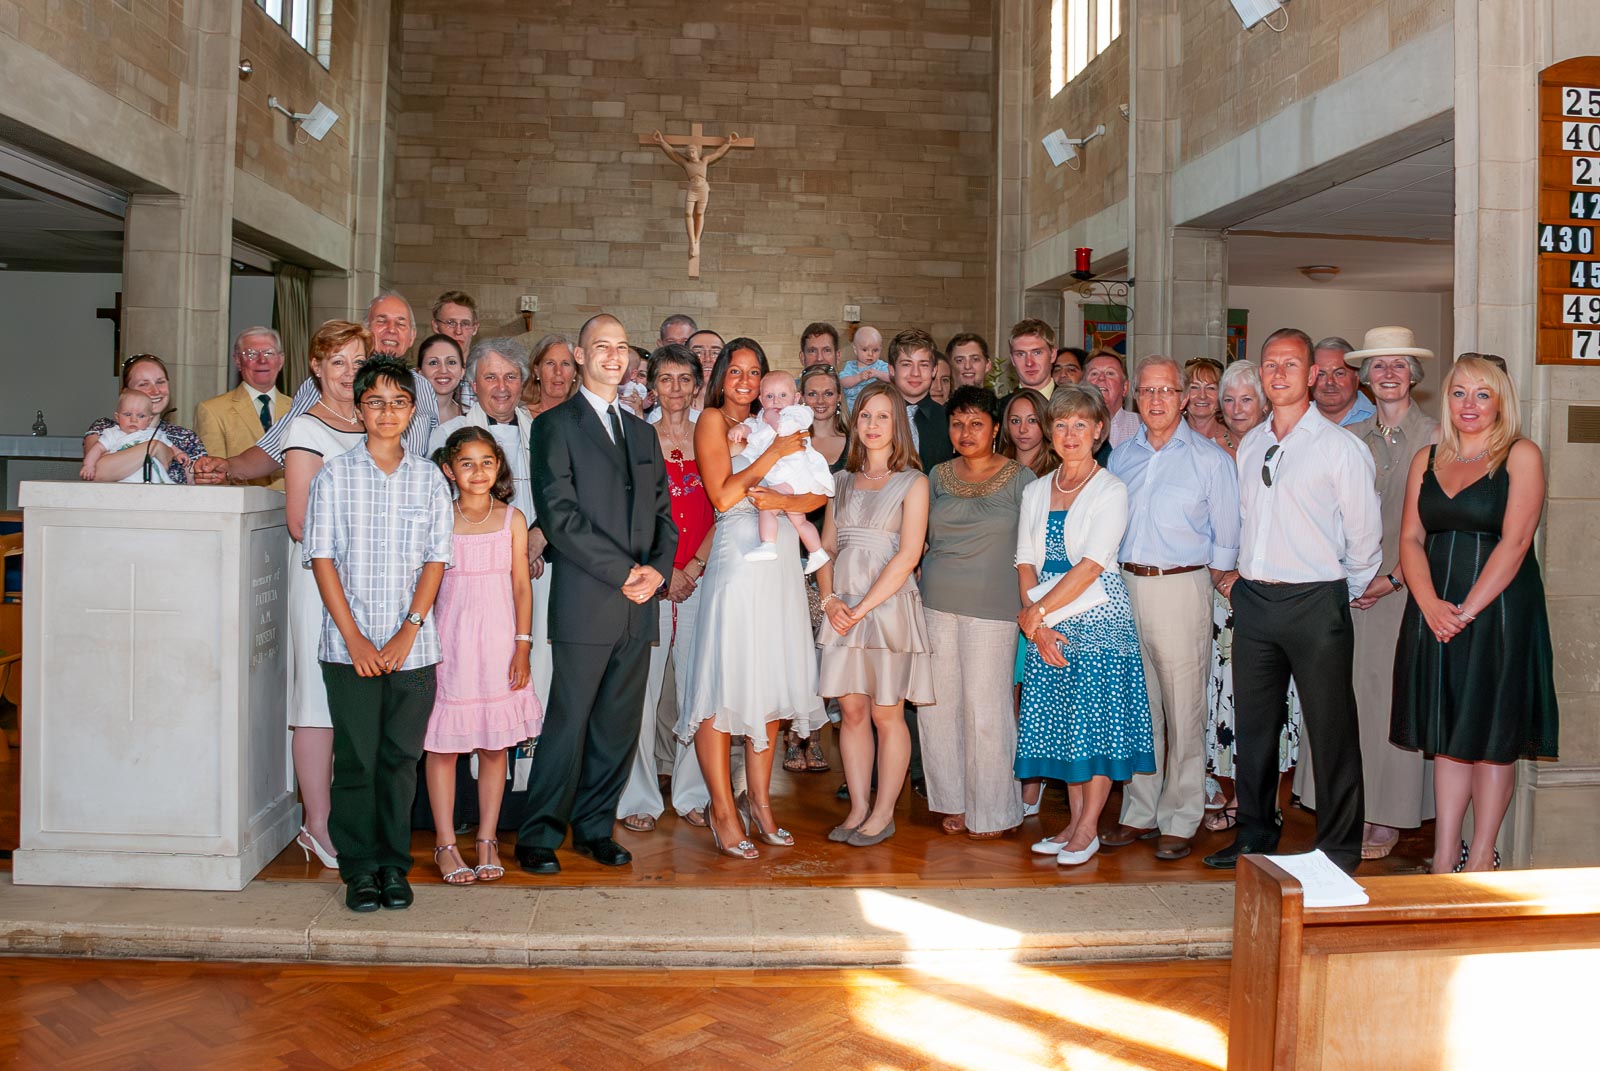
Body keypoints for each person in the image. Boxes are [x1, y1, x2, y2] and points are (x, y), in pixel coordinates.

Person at [1203, 328, 1382, 875]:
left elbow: (1365, 540)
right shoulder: (1252, 442)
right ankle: (1255, 834)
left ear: (1310, 375)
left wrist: (1335, 594)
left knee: (1330, 730)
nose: (1278, 373)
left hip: (1316, 603)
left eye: (1290, 364)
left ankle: (1338, 849)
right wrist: (1236, 578)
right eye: (1269, 364)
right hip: (1255, 601)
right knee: (1254, 729)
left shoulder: (1340, 449)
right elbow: (1241, 520)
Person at [516, 313, 676, 875]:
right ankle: (538, 833)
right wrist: (624, 572)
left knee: (617, 724)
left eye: (621, 346)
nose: (613, 355)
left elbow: (663, 514)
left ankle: (593, 827)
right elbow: (559, 516)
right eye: (600, 346)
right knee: (568, 721)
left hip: (640, 602)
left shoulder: (642, 432)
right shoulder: (555, 425)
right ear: (580, 357)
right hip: (589, 598)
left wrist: (657, 570)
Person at [1392, 356, 1558, 873]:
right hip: (1434, 608)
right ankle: (1445, 858)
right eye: (1460, 393)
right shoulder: (1426, 459)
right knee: (1448, 734)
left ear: (1501, 401)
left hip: (1499, 611)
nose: (1469, 405)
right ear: (1447, 398)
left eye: (1482, 394)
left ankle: (1482, 857)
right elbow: (1410, 539)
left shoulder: (1520, 455)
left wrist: (1463, 612)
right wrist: (1429, 604)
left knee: (1490, 737)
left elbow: (1515, 544)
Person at [303, 357, 455, 913]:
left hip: (415, 650)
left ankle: (394, 865)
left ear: (412, 411)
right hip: (349, 650)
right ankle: (359, 868)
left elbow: (437, 561)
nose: (386, 413)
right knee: (359, 759)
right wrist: (358, 641)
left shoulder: (429, 480)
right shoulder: (334, 475)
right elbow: (321, 559)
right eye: (375, 402)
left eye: (398, 403)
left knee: (398, 760)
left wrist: (407, 632)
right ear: (358, 408)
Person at [680, 338, 828, 860]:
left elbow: (815, 491)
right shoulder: (713, 422)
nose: (744, 381)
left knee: (771, 679)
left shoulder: (784, 420)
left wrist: (787, 495)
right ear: (721, 376)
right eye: (736, 371)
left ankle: (761, 804)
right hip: (738, 559)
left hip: (782, 557)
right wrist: (772, 455)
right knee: (724, 681)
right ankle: (723, 809)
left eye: (754, 372)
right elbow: (722, 495)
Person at [1297, 328, 1440, 859]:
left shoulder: (1438, 437)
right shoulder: (1349, 439)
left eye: (1397, 366)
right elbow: (1324, 516)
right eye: (1377, 366)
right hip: (1346, 589)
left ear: (1413, 375)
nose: (1387, 375)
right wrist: (1343, 576)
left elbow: (1437, 525)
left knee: (1385, 703)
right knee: (1341, 699)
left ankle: (1386, 814)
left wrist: (1394, 578)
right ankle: (1341, 807)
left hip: (1404, 591)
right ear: (1366, 376)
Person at [1102, 356, 1240, 862]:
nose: (1156, 399)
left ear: (1183, 398)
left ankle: (1181, 816)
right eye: (1147, 391)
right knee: (1141, 709)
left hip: (1183, 587)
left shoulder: (1211, 460)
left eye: (1166, 390)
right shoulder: (1121, 457)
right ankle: (1139, 811)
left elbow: (1227, 539)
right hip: (1125, 586)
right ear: (1136, 398)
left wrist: (1211, 586)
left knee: (1183, 708)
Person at [1016, 385, 1155, 866]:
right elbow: (1024, 562)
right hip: (1048, 620)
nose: (1069, 434)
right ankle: (1072, 824)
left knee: (1096, 726)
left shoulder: (1111, 489)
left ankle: (1089, 829)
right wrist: (1038, 625)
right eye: (1060, 424)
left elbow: (1092, 565)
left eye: (1080, 424)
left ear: (1099, 430)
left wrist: (1035, 615)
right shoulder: (1036, 489)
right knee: (1066, 725)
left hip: (1097, 617)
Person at [816, 380, 934, 847]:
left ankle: (884, 811)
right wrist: (830, 602)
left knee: (888, 712)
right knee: (851, 709)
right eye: (865, 415)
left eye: (883, 416)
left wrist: (862, 607)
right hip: (842, 607)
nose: (873, 425)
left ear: (897, 424)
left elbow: (908, 556)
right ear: (853, 421)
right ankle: (859, 806)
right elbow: (825, 547)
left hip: (887, 610)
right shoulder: (838, 481)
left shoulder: (914, 482)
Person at [424, 428, 543, 885]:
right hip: (449, 643)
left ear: (499, 467)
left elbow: (520, 585)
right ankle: (445, 843)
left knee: (495, 746)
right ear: (449, 470)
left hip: (498, 642)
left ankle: (488, 837)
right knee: (444, 748)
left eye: (487, 462)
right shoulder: (439, 516)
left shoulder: (512, 518)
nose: (478, 472)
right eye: (467, 463)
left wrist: (522, 644)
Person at [919, 386, 1034, 838]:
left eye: (976, 423)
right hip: (935, 605)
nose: (966, 432)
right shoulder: (936, 475)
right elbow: (922, 538)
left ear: (995, 429)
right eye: (957, 423)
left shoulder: (1020, 479)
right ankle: (954, 801)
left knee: (987, 712)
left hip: (994, 609)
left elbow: (1032, 550)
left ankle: (994, 810)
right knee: (938, 709)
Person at [616, 345, 719, 832]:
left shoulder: (712, 433)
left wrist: (694, 567)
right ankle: (637, 795)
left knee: (699, 689)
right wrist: (660, 570)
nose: (675, 388)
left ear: (698, 383)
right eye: (665, 379)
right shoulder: (636, 436)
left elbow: (728, 507)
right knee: (641, 693)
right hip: (650, 581)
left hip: (703, 578)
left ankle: (694, 792)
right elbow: (628, 514)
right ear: (650, 384)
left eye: (684, 378)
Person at [282, 320, 373, 871]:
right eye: (336, 361)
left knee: (354, 704)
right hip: (322, 581)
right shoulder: (306, 429)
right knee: (317, 703)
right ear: (316, 367)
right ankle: (315, 824)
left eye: (357, 361)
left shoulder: (374, 422)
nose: (347, 373)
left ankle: (345, 815)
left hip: (372, 585)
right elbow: (299, 521)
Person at [1203, 359, 1305, 834]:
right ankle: (1230, 793)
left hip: (1273, 592)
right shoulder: (1207, 451)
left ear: (1263, 403)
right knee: (1224, 696)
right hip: (1221, 592)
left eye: (1247, 399)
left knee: (1268, 699)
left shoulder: (1281, 445)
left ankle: (1264, 801)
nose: (1237, 407)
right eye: (1229, 399)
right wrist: (1222, 577)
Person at [194, 292, 436, 484]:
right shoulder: (319, 385)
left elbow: (430, 457)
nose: (391, 330)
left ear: (412, 336)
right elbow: (276, 445)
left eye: (401, 324)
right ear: (366, 331)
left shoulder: (423, 389)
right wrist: (229, 467)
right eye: (381, 321)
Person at [430, 338, 553, 704]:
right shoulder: (448, 435)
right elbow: (439, 511)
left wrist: (537, 539)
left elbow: (560, 496)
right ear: (473, 383)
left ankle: (529, 758)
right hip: (471, 575)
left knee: (535, 663)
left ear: (523, 381)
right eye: (491, 377)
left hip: (537, 567)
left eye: (511, 377)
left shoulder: (543, 431)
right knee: (470, 670)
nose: (502, 387)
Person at [731, 370, 834, 570]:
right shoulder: (761, 418)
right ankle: (816, 552)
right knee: (799, 522)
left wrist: (772, 417)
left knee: (768, 506)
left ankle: (768, 544)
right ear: (761, 399)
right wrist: (741, 430)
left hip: (793, 474)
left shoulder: (797, 413)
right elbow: (755, 431)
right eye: (770, 396)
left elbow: (784, 430)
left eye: (782, 395)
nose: (776, 401)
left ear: (796, 398)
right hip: (783, 475)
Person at [82, 354, 207, 484]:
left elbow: (198, 487)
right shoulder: (104, 428)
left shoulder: (187, 437)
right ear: (126, 391)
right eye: (143, 384)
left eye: (160, 382)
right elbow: (97, 474)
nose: (155, 391)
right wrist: (154, 446)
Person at [194, 327, 291, 489]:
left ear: (280, 360)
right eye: (251, 354)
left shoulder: (301, 410)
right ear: (238, 361)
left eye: (269, 353)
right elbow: (214, 478)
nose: (262, 360)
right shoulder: (212, 410)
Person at [80, 389, 187, 483]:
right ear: (117, 417)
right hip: (124, 481)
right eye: (127, 414)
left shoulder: (154, 433)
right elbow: (97, 449)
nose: (134, 420)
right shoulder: (113, 433)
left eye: (141, 416)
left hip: (155, 482)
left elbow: (171, 447)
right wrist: (88, 465)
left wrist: (179, 453)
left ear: (149, 420)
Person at [891, 327, 954, 468]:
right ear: (891, 369)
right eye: (907, 364)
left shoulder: (949, 420)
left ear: (934, 370)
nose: (915, 373)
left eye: (923, 365)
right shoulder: (876, 418)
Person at [1312, 336, 1375, 427]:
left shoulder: (1380, 420)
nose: (1329, 382)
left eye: (1339, 373)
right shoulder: (1295, 422)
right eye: (1320, 374)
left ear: (1357, 376)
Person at [1084, 349, 1140, 448]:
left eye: (1110, 373)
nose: (1101, 378)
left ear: (1125, 388)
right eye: (1094, 373)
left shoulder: (1142, 426)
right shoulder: (1072, 428)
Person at [998, 388, 1056, 477]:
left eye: (1032, 420)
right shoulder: (995, 470)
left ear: (1045, 422)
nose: (1022, 429)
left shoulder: (1059, 473)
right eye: (1015, 421)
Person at [521, 333, 578, 421]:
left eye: (565, 364)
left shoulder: (587, 420)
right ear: (537, 371)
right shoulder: (519, 418)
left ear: (575, 372)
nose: (558, 371)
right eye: (550, 363)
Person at [1182, 358, 1233, 454]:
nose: (1202, 396)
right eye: (1194, 387)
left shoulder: (1236, 440)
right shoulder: (1171, 438)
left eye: (1210, 388)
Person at [417, 333, 467, 424]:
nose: (443, 370)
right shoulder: (405, 415)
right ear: (420, 373)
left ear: (462, 372)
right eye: (433, 363)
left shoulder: (472, 418)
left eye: (451, 362)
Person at [839, 325, 890, 414]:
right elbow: (843, 382)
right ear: (855, 350)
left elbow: (892, 378)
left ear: (881, 349)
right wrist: (859, 377)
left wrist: (877, 374)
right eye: (865, 350)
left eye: (875, 350)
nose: (870, 354)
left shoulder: (881, 366)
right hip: (853, 410)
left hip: (876, 409)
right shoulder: (850, 366)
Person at [1008, 319, 1056, 397]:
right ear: (1013, 360)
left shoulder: (1075, 404)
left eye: (1037, 353)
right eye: (1020, 354)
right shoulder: (1000, 407)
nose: (1029, 363)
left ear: (1053, 355)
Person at [430, 290, 480, 356]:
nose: (458, 331)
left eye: (465, 324)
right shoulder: (423, 366)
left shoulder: (487, 366)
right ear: (435, 326)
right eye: (450, 323)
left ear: (475, 328)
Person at [686, 329, 724, 408]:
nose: (707, 359)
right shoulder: (672, 408)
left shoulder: (737, 407)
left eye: (715, 353)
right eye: (698, 352)